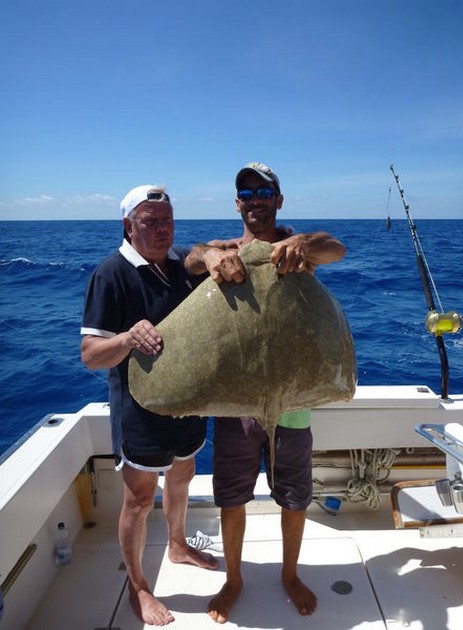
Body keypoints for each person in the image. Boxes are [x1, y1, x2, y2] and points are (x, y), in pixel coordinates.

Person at [185, 162, 347, 624]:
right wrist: (209, 255)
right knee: (232, 496)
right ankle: (234, 579)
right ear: (238, 204)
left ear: (278, 199)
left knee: (294, 496)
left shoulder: (302, 248)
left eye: (263, 191)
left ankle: (289, 574)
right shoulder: (225, 249)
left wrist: (301, 244)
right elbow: (190, 259)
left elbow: (336, 247)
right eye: (246, 193)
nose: (255, 199)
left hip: (291, 400)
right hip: (237, 399)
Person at [80, 185, 218, 627]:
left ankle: (177, 545)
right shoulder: (111, 273)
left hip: (186, 400)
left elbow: (212, 255)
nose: (162, 230)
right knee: (139, 500)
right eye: (150, 221)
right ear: (128, 225)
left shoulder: (182, 264)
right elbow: (89, 355)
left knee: (183, 474)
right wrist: (125, 338)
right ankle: (138, 585)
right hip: (137, 408)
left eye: (167, 220)